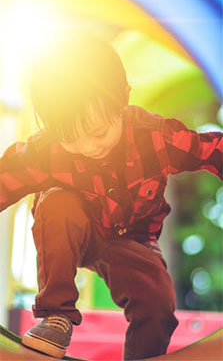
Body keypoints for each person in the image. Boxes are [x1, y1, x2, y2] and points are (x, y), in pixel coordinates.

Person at [0, 31, 222, 360]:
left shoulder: (154, 137)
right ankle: (56, 318)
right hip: (75, 230)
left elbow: (208, 150)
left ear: (123, 99)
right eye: (71, 139)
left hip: (131, 239)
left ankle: (144, 354)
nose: (88, 148)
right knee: (57, 204)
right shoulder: (47, 151)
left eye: (99, 132)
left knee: (157, 298)